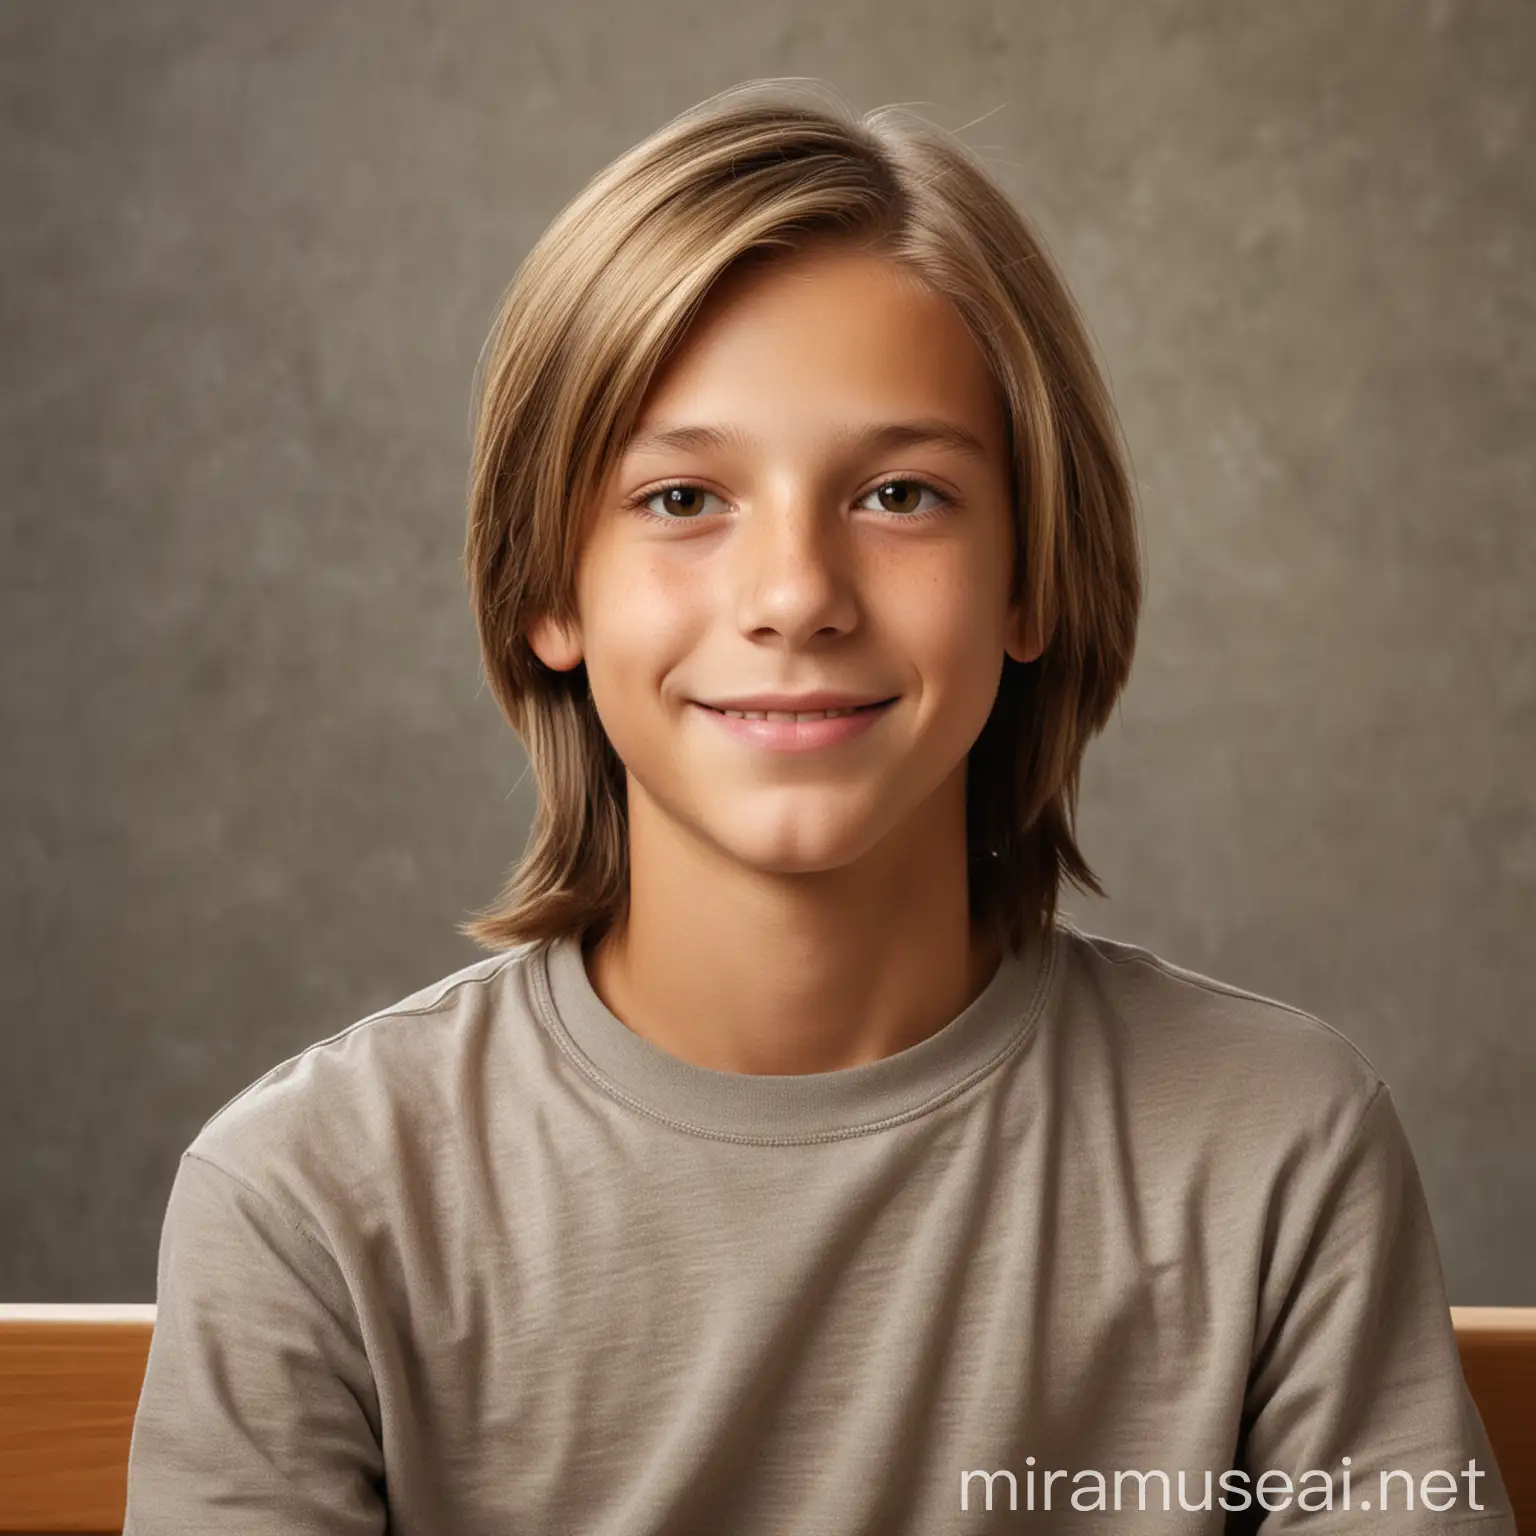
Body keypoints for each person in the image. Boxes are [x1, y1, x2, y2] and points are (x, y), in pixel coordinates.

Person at [124, 78, 1514, 1533]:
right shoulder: (308, 1199)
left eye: (902, 494)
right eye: (681, 501)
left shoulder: (1277, 1144)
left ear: (1032, 574)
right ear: (546, 586)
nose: (794, 596)